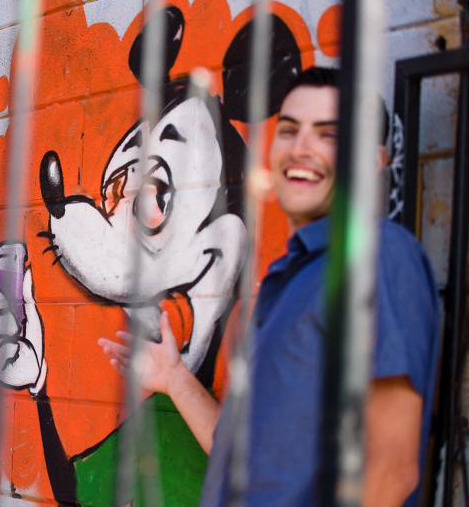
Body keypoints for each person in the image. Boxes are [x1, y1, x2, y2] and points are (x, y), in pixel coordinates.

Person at [99, 66, 440, 507]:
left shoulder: (379, 256)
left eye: (328, 135)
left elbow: (390, 471)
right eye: (289, 129)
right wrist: (175, 379)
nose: (301, 148)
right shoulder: (292, 278)